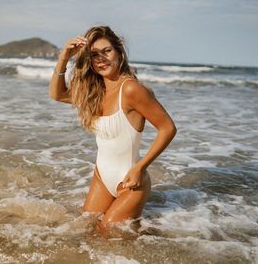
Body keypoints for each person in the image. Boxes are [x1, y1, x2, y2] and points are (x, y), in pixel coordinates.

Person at [49, 26, 176, 229]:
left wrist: (139, 168)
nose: (102, 59)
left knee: (106, 235)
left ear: (119, 51)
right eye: (94, 55)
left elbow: (168, 128)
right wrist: (64, 56)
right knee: (85, 228)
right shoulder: (94, 92)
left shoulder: (131, 89)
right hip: (102, 177)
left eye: (107, 51)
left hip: (130, 182)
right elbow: (57, 94)